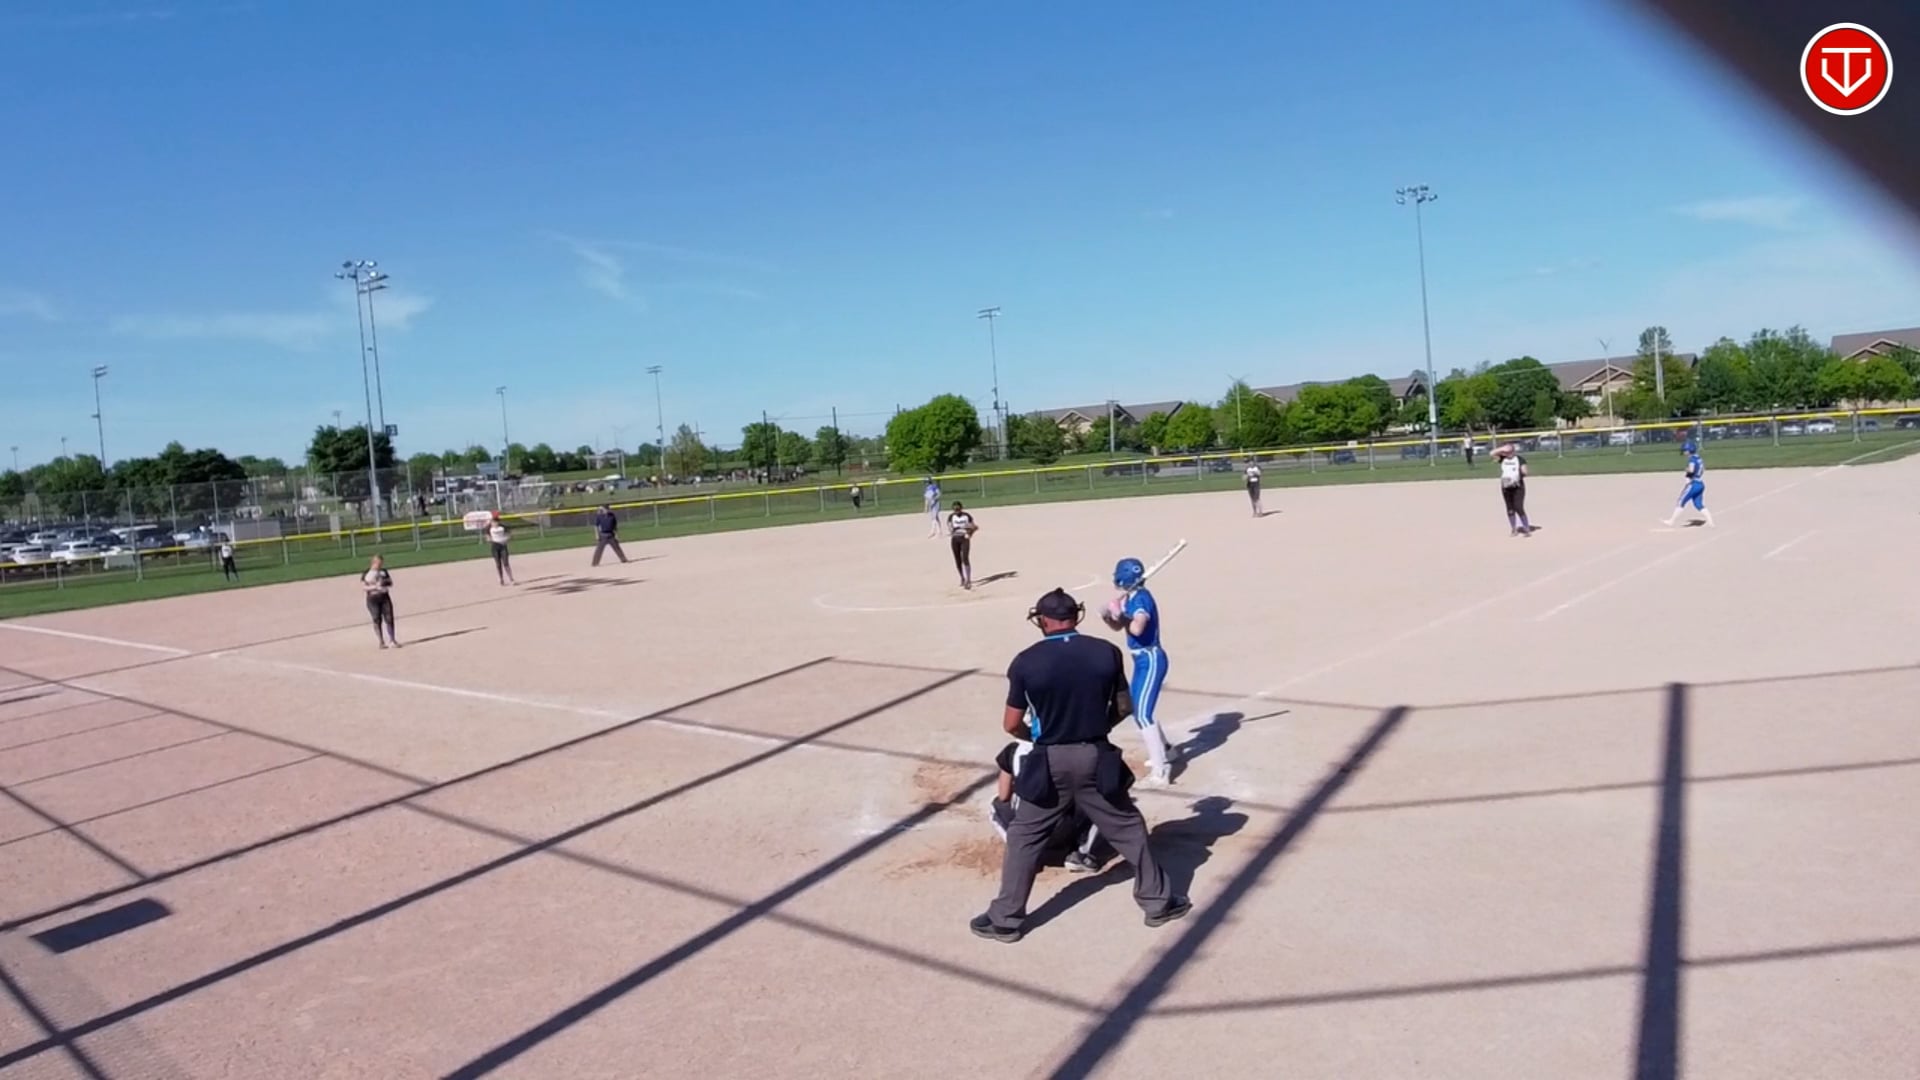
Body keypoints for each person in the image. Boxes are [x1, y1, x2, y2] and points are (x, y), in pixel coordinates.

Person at [971, 588, 1190, 943]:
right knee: (1127, 827)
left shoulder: (1026, 661)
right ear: (1076, 616)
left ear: (1043, 620)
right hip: (1095, 755)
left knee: (1024, 836)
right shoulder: (1106, 652)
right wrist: (1097, 729)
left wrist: (1038, 737)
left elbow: (1011, 724)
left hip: (1049, 760)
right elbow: (1124, 706)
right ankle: (1158, 903)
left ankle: (1005, 919)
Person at [1101, 557, 1177, 785]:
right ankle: (1166, 750)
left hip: (1151, 658)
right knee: (1138, 708)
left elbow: (1137, 627)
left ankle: (1161, 771)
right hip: (1141, 660)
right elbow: (1119, 626)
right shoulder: (1131, 597)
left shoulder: (1142, 598)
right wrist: (1109, 616)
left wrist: (1122, 614)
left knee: (1143, 714)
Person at [988, 739, 1111, 873]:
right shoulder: (1075, 747)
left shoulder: (1014, 750)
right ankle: (1082, 853)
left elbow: (1004, 796)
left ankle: (1023, 854)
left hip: (1029, 828)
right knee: (1101, 799)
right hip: (1067, 827)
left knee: (996, 805)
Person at [1664, 440, 1714, 527]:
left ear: (1689, 450)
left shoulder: (1692, 459)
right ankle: (1710, 522)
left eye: (1685, 450)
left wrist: (1687, 470)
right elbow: (1702, 469)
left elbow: (1691, 470)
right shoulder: (1698, 458)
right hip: (1700, 483)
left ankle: (1671, 521)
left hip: (1693, 484)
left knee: (1681, 501)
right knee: (1698, 504)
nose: (1684, 452)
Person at [361, 554, 400, 650]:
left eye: (381, 563)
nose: (380, 565)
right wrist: (375, 587)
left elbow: (390, 582)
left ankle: (392, 640)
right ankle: (381, 641)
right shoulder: (367, 573)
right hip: (373, 599)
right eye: (378, 563)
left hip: (384, 597)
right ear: (373, 563)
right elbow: (364, 587)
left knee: (389, 618)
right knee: (376, 619)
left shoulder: (383, 572)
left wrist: (383, 583)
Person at [1495, 444, 1534, 537]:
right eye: (1506, 452)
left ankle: (1526, 528)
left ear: (1513, 451)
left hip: (1517, 486)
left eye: (1509, 452)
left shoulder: (1520, 459)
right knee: (1510, 508)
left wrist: (1517, 477)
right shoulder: (1502, 459)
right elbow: (1491, 454)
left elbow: (1525, 472)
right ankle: (1514, 529)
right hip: (1506, 486)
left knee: (1518, 507)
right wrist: (1501, 449)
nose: (1508, 454)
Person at [947, 500, 978, 589]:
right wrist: (953, 530)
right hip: (955, 539)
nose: (956, 511)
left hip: (964, 538)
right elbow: (950, 527)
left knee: (965, 558)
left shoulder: (967, 516)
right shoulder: (951, 517)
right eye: (955, 510)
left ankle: (968, 580)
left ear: (961, 508)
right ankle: (962, 577)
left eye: (958, 509)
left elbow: (975, 527)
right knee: (958, 559)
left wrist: (970, 533)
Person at [486, 512, 517, 585]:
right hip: (495, 546)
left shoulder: (503, 527)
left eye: (496, 521)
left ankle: (511, 578)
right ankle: (501, 579)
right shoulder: (489, 528)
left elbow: (510, 535)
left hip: (503, 546)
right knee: (498, 564)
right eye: (493, 521)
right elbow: (488, 537)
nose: (495, 523)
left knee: (506, 563)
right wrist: (490, 539)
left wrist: (507, 539)